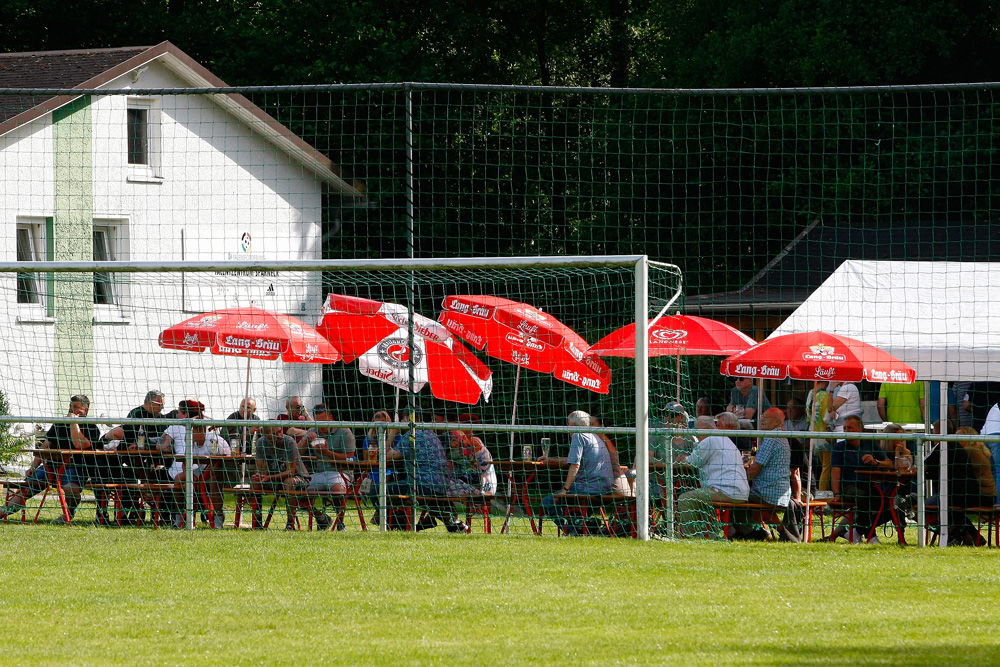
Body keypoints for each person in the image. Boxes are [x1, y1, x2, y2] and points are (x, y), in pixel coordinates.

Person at [0, 395, 99, 524]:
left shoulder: (92, 427)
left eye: (77, 408)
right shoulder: (59, 424)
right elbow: (45, 446)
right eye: (71, 407)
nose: (73, 411)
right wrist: (33, 467)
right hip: (51, 466)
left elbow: (79, 445)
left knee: (71, 489)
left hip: (75, 468)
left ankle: (68, 514)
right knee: (26, 488)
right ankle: (3, 511)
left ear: (86, 410)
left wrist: (73, 423)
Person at [385, 426, 472, 533]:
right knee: (435, 501)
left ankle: (399, 524)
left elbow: (384, 456)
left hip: (424, 485)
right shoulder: (431, 433)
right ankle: (452, 524)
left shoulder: (412, 434)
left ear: (408, 418)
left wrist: (392, 434)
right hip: (442, 486)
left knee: (379, 491)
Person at [540, 410, 614, 536]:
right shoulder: (594, 436)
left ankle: (574, 531)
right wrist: (550, 460)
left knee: (548, 502)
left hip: (589, 488)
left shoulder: (578, 435)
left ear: (574, 424)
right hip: (605, 488)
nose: (568, 428)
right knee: (566, 501)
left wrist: (565, 489)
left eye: (568, 424)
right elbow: (575, 459)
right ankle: (582, 524)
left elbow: (575, 465)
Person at [676, 415, 748, 539]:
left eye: (698, 430)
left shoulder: (709, 440)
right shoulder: (723, 439)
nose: (697, 435)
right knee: (701, 497)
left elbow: (691, 462)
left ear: (707, 428)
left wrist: (682, 458)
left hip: (726, 490)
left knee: (684, 499)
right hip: (738, 491)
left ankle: (691, 537)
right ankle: (711, 534)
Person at [101, 389, 167, 524]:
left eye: (163, 405)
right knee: (129, 478)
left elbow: (161, 439)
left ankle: (161, 514)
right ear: (148, 402)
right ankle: (125, 513)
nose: (162, 407)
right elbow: (131, 438)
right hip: (130, 459)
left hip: (152, 458)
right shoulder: (136, 414)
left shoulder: (161, 418)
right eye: (159, 404)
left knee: (159, 475)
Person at [830, 414, 890, 544]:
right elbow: (835, 473)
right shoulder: (839, 448)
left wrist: (876, 462)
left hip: (871, 485)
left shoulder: (871, 444)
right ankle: (871, 536)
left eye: (850, 428)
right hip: (848, 487)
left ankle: (856, 532)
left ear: (861, 428)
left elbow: (889, 464)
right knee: (863, 496)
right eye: (845, 428)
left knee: (889, 505)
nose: (847, 431)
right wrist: (836, 494)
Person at [734, 408, 791, 540]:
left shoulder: (772, 438)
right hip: (778, 491)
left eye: (766, 418)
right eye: (762, 417)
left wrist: (740, 481)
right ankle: (757, 531)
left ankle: (751, 532)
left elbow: (756, 468)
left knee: (733, 495)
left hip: (767, 492)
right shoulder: (781, 437)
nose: (762, 420)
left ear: (777, 422)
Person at [298, 404, 356, 531]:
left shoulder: (344, 431)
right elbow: (296, 453)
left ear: (331, 418)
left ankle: (340, 523)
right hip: (319, 473)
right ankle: (322, 518)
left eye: (324, 421)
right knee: (298, 494)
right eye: (318, 422)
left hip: (341, 473)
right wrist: (306, 441)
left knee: (337, 490)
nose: (322, 426)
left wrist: (327, 452)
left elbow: (351, 458)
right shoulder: (313, 431)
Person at [251, 423, 310, 530]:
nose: (280, 434)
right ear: (267, 435)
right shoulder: (261, 443)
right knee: (255, 483)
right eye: (276, 433)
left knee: (288, 482)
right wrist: (259, 476)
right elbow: (262, 469)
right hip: (275, 479)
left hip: (299, 478)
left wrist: (269, 477)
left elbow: (290, 471)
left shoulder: (289, 442)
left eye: (280, 431)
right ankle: (257, 522)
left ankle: (290, 524)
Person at [805, 381, 833, 497]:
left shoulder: (811, 394)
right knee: (827, 467)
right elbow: (826, 418)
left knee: (822, 466)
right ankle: (822, 495)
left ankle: (820, 492)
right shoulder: (825, 396)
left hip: (814, 433)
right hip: (824, 434)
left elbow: (808, 417)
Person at [591, 414, 629, 497]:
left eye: (591, 424)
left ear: (601, 426)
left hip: (613, 486)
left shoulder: (602, 442)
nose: (588, 427)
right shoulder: (604, 440)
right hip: (617, 484)